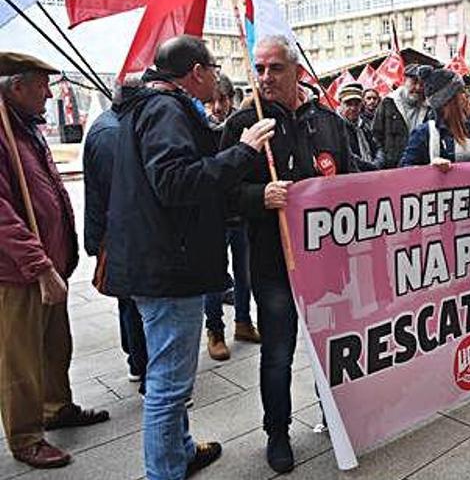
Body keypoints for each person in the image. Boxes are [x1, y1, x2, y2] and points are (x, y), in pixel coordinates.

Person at [104, 36, 275, 479]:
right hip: (167, 266)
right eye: (214, 68)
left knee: (171, 376)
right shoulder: (164, 109)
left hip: (158, 261)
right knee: (168, 384)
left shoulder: (156, 106)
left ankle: (178, 452)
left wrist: (228, 141)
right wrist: (244, 152)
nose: (218, 77)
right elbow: (176, 182)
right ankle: (164, 472)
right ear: (196, 72)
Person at [221, 35, 351, 473]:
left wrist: (429, 175)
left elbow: (356, 180)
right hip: (273, 263)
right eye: (258, 69)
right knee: (278, 352)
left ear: (297, 71)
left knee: (334, 346)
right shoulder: (245, 122)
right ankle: (277, 432)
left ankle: (337, 415)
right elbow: (219, 193)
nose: (264, 78)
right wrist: (261, 195)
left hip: (327, 264)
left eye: (274, 68)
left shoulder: (329, 121)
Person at [0, 52, 110, 470]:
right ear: (17, 86)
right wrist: (40, 265)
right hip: (19, 273)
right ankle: (26, 437)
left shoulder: (24, 127)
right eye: (42, 85)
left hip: (47, 264)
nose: (50, 93)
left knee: (53, 346)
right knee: (20, 358)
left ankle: (55, 407)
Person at [83, 80, 149, 390]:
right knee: (133, 300)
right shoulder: (111, 134)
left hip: (116, 230)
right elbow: (123, 191)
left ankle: (136, 360)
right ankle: (140, 362)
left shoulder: (113, 126)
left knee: (129, 300)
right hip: (119, 233)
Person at [203, 74, 261, 362]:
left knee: (244, 271)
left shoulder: (241, 124)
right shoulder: (199, 126)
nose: (217, 107)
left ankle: (243, 321)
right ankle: (215, 330)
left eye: (222, 100)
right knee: (214, 276)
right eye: (212, 101)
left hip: (239, 212)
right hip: (213, 215)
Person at [400, 68, 470, 167]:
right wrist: (429, 169)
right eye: (461, 91)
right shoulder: (424, 133)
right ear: (448, 101)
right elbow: (405, 173)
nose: (467, 96)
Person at [373, 64, 430, 168]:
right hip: (393, 169)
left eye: (421, 84)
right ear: (404, 81)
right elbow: (376, 136)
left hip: (421, 168)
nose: (417, 88)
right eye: (414, 82)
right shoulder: (388, 103)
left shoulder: (429, 107)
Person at [338, 82, 384, 171]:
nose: (353, 108)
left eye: (356, 104)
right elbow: (347, 155)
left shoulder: (365, 124)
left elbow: (377, 146)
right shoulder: (336, 127)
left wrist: (378, 163)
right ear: (341, 104)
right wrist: (370, 166)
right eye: (349, 104)